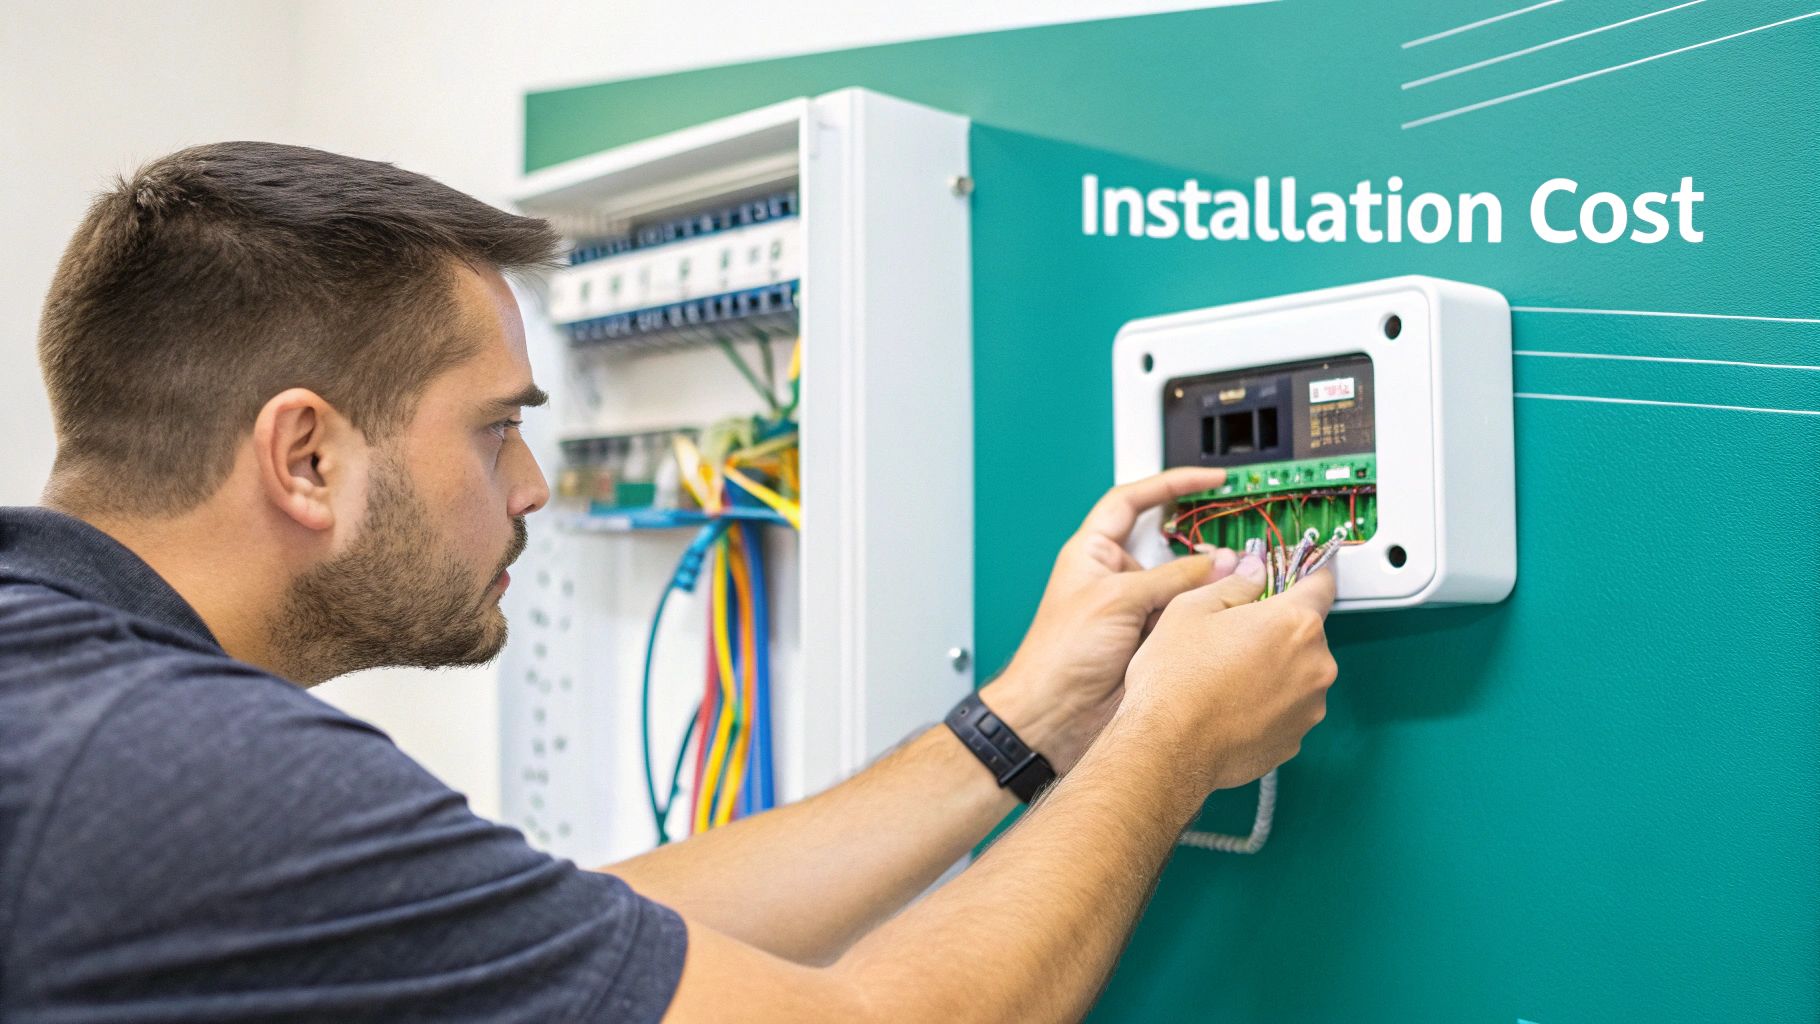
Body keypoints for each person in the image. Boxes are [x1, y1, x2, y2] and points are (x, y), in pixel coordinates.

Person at [0, 142, 1337, 1023]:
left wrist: (1027, 721)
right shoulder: (185, 769)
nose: (533, 486)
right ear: (306, 457)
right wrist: (1168, 744)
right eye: (494, 428)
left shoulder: (70, 698)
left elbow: (581, 945)